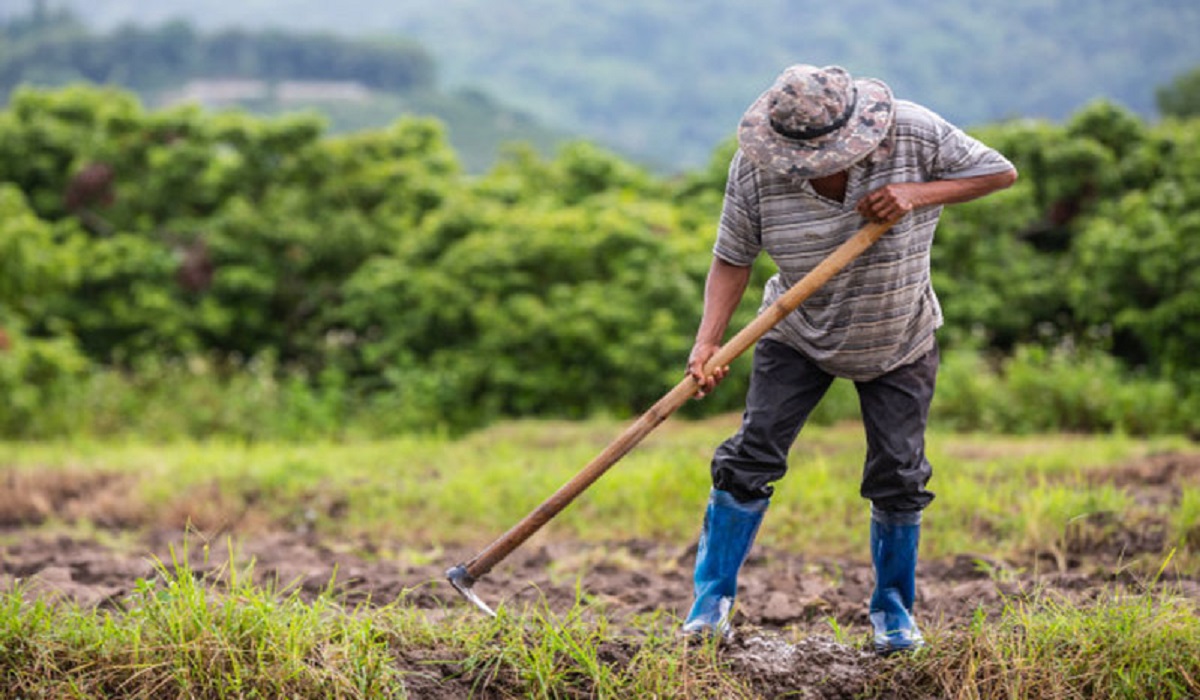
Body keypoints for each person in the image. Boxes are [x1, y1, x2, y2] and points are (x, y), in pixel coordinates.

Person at [681, 64, 1018, 655]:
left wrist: (917, 193)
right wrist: (708, 341)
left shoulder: (914, 132)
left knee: (899, 474)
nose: (811, 168)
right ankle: (710, 607)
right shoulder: (757, 169)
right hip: (797, 331)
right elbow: (732, 256)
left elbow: (999, 172)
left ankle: (893, 614)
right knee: (749, 458)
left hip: (899, 335)